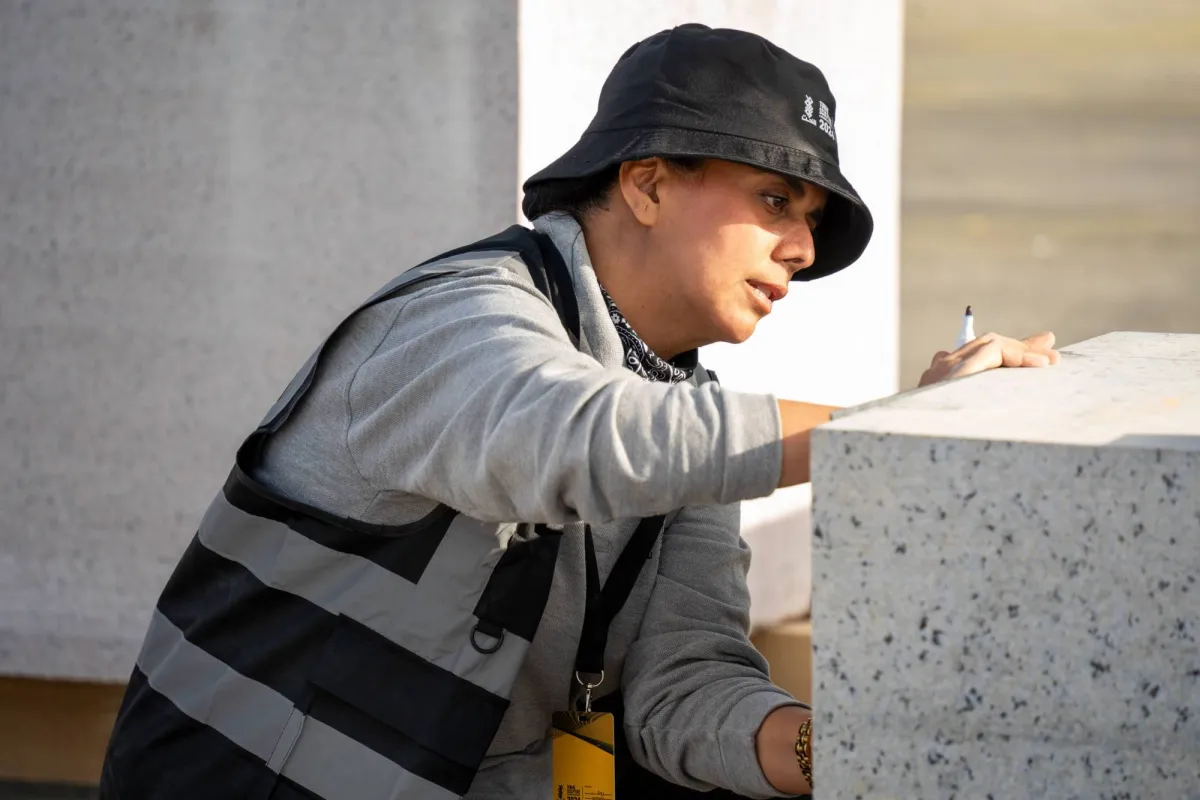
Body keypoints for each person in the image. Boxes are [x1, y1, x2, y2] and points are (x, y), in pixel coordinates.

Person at [99, 23, 1059, 800]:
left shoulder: (686, 413)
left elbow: (684, 687)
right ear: (647, 183)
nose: (802, 249)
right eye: (776, 199)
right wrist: (900, 433)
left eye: (810, 220)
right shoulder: (458, 319)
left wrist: (854, 753)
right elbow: (578, 440)